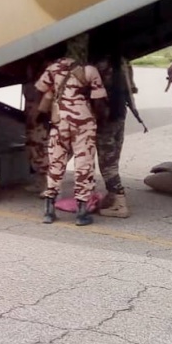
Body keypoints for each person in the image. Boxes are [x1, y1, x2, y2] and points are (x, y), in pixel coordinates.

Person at [35, 34, 107, 226]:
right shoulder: (89, 70)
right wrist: (98, 119)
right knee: (84, 165)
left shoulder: (53, 68)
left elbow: (41, 91)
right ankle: (81, 214)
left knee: (56, 164)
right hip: (83, 123)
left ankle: (49, 212)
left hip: (59, 122)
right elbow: (99, 102)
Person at [94, 52, 143, 218]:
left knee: (107, 163)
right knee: (113, 159)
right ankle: (112, 195)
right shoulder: (124, 61)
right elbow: (131, 90)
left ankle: (120, 203)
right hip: (120, 114)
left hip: (104, 118)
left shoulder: (98, 63)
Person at [22, 56, 50, 194]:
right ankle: (39, 181)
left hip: (40, 112)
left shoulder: (46, 65)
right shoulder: (31, 64)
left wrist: (39, 110)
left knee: (41, 146)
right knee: (32, 145)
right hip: (30, 109)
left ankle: (47, 184)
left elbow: (45, 91)